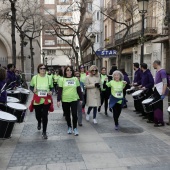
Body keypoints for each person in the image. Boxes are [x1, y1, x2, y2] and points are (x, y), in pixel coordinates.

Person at [30, 64, 53, 139]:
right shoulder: (35, 77)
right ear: (38, 69)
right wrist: (33, 90)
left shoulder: (49, 77)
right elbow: (31, 86)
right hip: (37, 98)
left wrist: (51, 91)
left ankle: (44, 132)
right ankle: (39, 121)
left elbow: (52, 87)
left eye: (44, 68)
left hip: (46, 98)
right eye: (41, 68)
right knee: (38, 115)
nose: (43, 69)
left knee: (45, 115)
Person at [57, 66, 82, 136]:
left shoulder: (75, 79)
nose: (69, 71)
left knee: (74, 114)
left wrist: (81, 99)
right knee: (67, 115)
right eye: (67, 70)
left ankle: (75, 128)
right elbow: (60, 90)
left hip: (74, 99)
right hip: (65, 100)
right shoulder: (62, 79)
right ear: (65, 71)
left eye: (70, 70)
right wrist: (58, 100)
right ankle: (69, 127)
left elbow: (79, 89)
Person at [152, 60, 167, 127]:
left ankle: (160, 121)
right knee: (155, 106)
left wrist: (163, 93)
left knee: (158, 106)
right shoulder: (157, 71)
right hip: (156, 90)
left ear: (156, 64)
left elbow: (165, 83)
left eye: (153, 64)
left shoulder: (162, 71)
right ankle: (156, 120)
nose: (153, 66)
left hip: (160, 91)